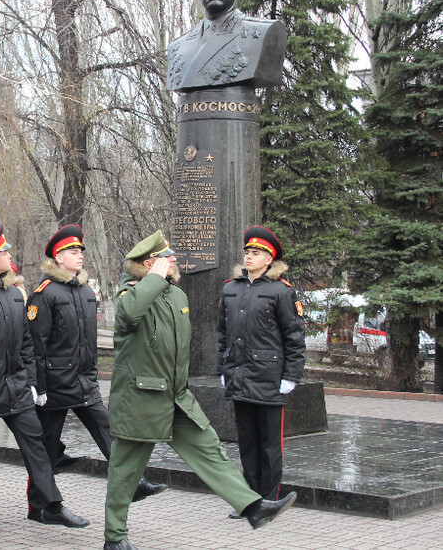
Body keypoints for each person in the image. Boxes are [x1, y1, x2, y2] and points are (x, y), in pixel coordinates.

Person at [102, 231, 296, 550]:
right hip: (141, 398)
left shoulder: (176, 295)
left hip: (176, 396)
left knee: (209, 448)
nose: (174, 259)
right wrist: (154, 278)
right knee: (126, 468)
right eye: (166, 257)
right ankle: (115, 537)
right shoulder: (131, 293)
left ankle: (253, 506)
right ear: (150, 264)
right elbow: (129, 315)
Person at [0, 222, 89, 538]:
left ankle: (50, 505)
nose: (9, 256)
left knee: (36, 445)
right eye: (4, 252)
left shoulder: (12, 294)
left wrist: (32, 382)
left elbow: (26, 343)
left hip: (14, 387)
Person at [28, 225, 165, 505]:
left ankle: (134, 483)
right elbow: (35, 345)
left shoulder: (86, 291)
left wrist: (90, 374)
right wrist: (37, 386)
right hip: (55, 385)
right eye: (73, 251)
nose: (80, 255)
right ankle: (40, 505)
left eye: (80, 251)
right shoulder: (45, 294)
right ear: (58, 257)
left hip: (83, 382)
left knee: (109, 430)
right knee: (46, 446)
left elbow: (88, 341)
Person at [217, 226, 306, 506]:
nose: (249, 257)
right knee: (247, 443)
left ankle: (269, 499)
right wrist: (223, 369)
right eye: (247, 252)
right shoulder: (230, 288)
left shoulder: (281, 291)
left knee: (269, 445)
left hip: (269, 377)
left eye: (256, 253)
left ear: (269, 260)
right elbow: (222, 334)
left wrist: (291, 376)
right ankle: (250, 500)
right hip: (239, 375)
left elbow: (294, 337)